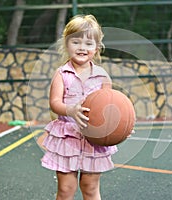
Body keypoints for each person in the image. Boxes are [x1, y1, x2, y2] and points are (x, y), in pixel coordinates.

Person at [41, 14, 117, 200]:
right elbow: (55, 103)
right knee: (66, 189)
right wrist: (71, 110)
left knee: (90, 188)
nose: (82, 47)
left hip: (94, 140)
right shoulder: (61, 74)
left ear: (97, 48)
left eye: (88, 43)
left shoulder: (102, 77)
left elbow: (112, 107)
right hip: (67, 138)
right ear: (66, 44)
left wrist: (121, 125)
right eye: (76, 42)